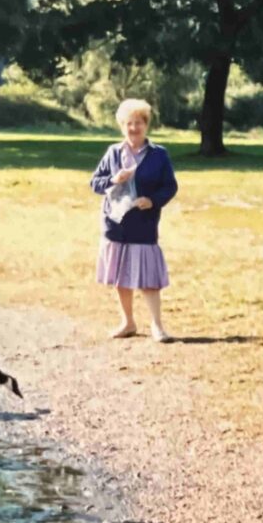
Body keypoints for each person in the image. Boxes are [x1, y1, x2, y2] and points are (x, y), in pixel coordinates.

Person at [90, 99, 179, 343]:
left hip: (144, 225)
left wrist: (152, 200)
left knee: (148, 279)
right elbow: (95, 183)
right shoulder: (113, 153)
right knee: (120, 277)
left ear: (146, 125)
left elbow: (170, 186)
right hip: (116, 226)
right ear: (122, 126)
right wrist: (113, 180)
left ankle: (157, 326)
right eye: (128, 124)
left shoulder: (158, 155)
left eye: (138, 123)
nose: (133, 128)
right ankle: (127, 322)